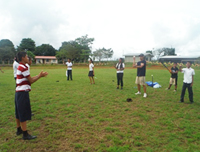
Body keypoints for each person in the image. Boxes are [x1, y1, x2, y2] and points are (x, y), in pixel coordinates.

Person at [15, 52, 48, 140]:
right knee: (23, 113)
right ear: (22, 58)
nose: (28, 58)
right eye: (26, 56)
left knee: (18, 112)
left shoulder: (20, 66)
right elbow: (31, 81)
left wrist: (39, 76)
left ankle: (19, 129)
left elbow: (28, 79)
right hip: (22, 92)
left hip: (18, 92)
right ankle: (25, 134)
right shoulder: (24, 67)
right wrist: (40, 76)